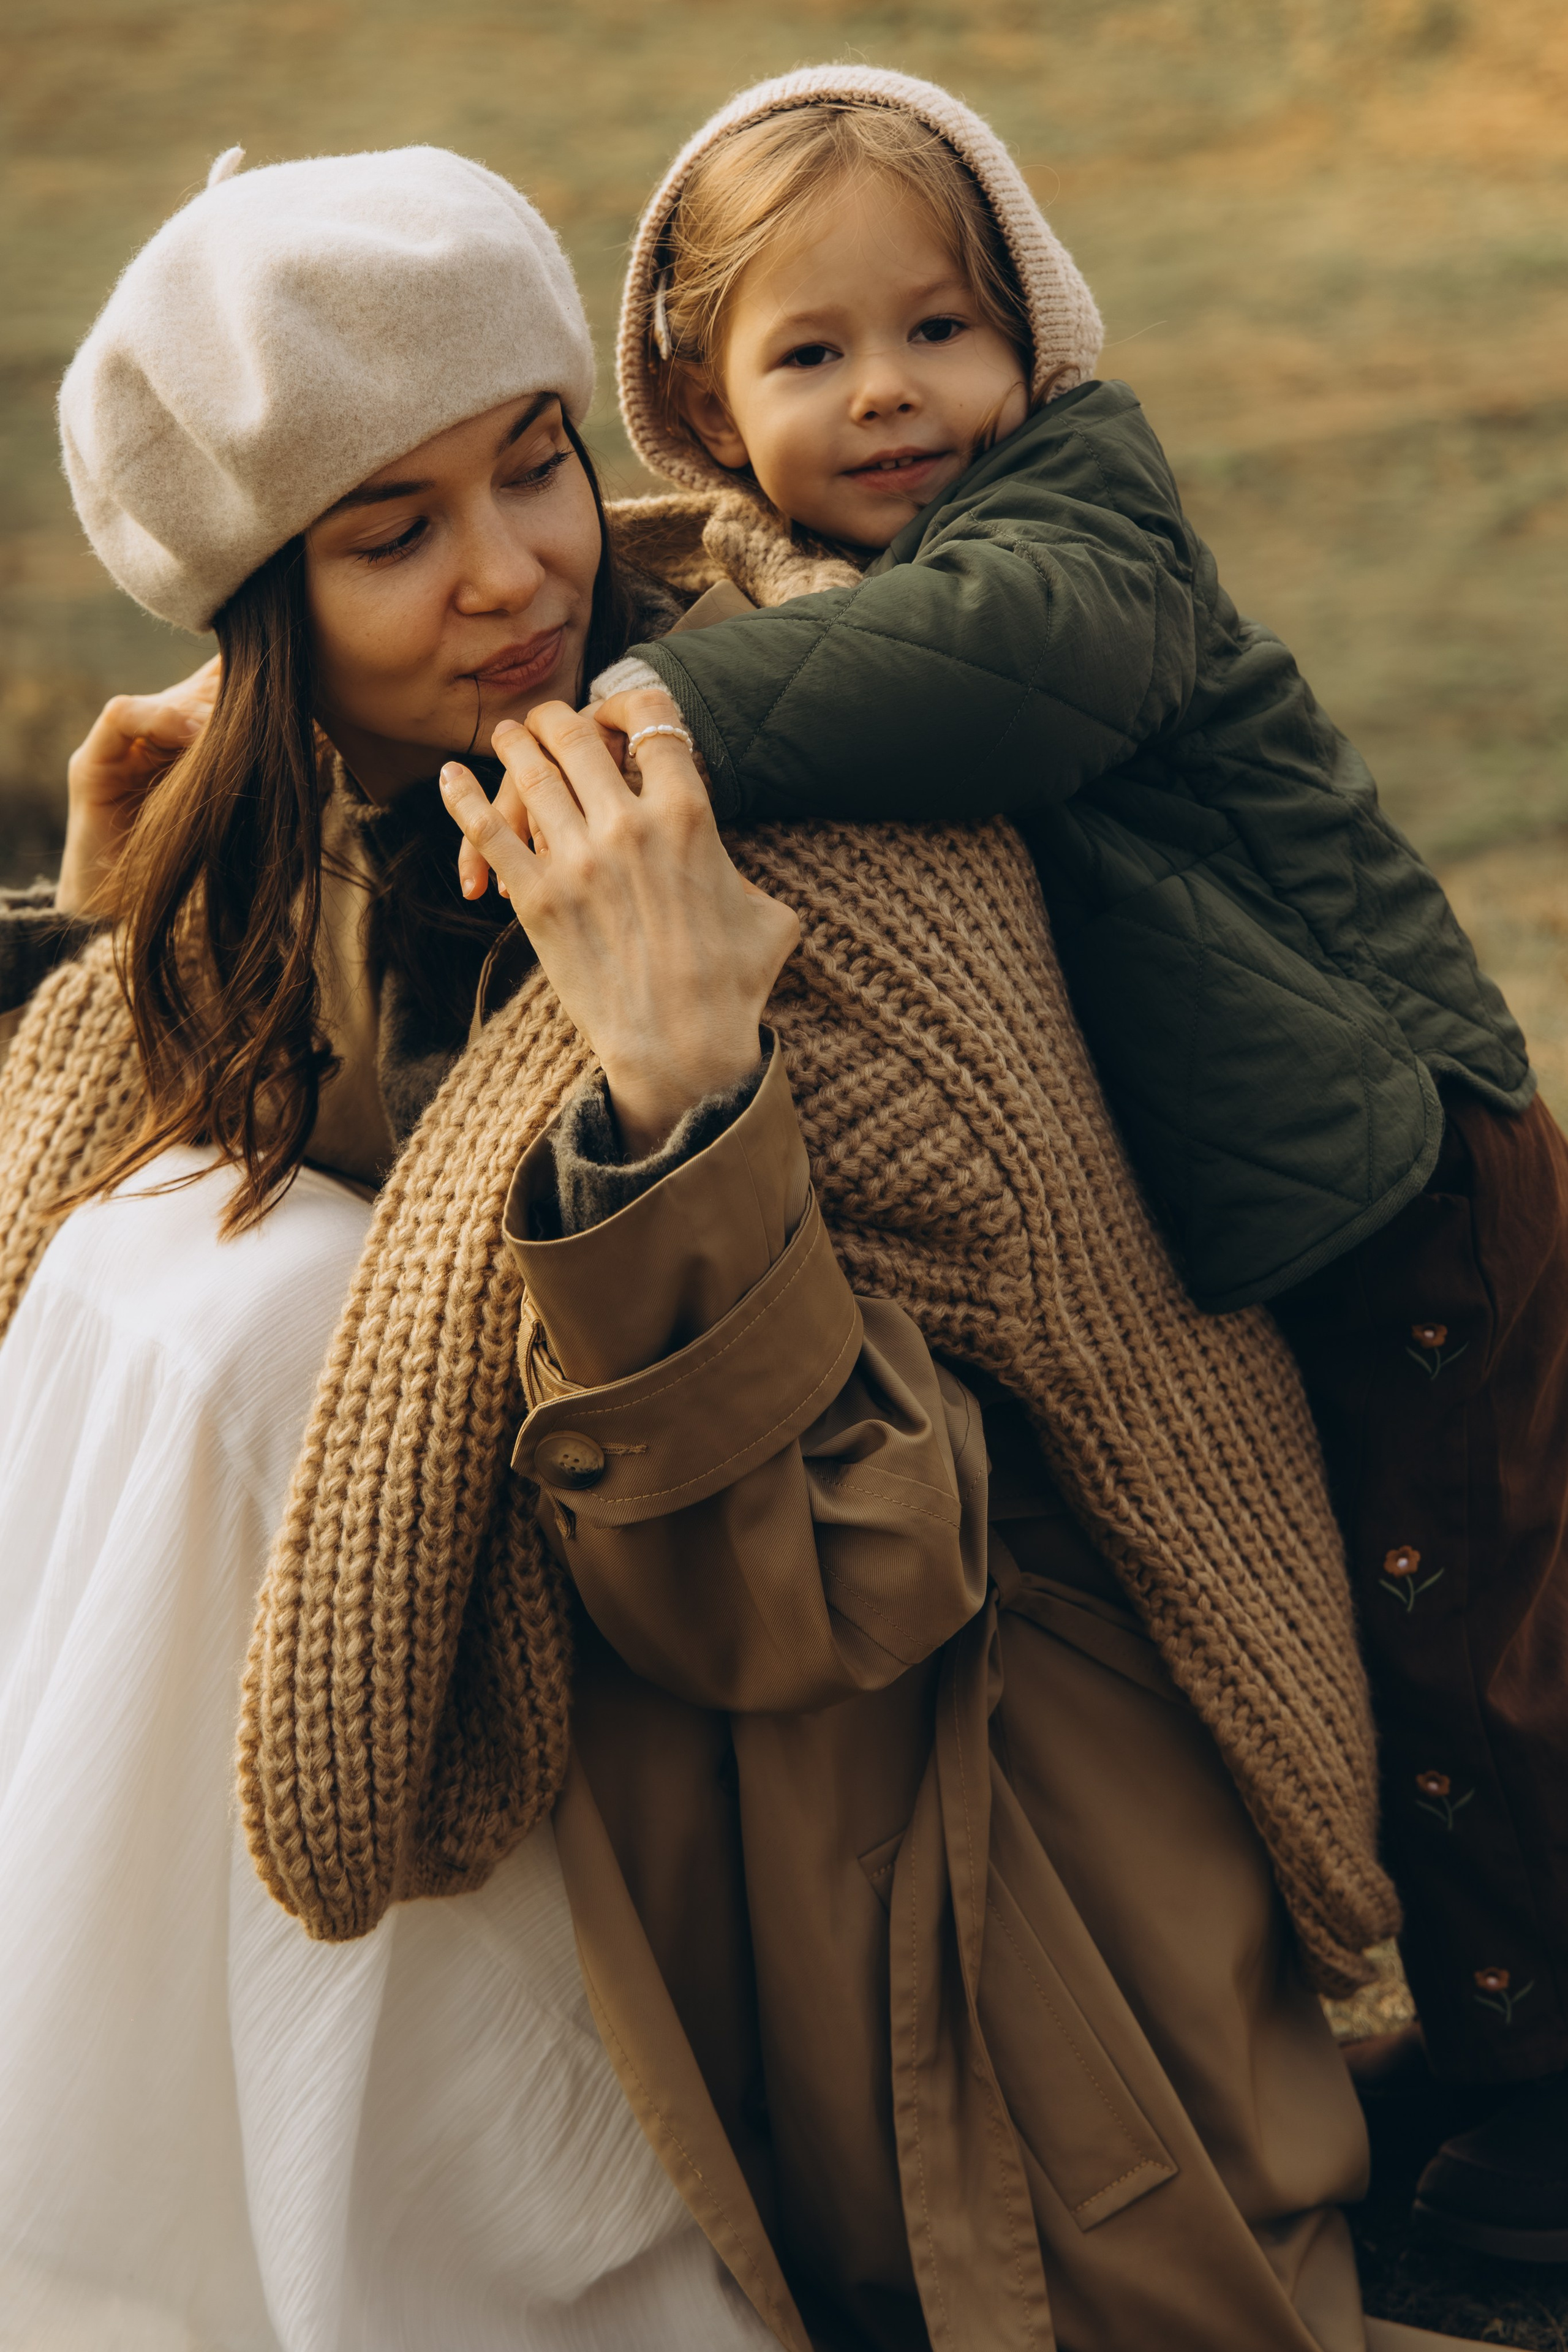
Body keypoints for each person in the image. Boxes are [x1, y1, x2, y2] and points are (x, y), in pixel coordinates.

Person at [2, 139, 1379, 2350]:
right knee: (178, 1266)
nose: (513, 574)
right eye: (392, 534)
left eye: (534, 466)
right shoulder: (338, 861)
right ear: (259, 613)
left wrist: (678, 1105)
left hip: (977, 1979)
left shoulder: (806, 821)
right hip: (664, 1910)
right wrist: (115, 950)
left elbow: (845, 1585)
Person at [592, 64, 1568, 2258]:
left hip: (1408, 1161)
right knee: (1369, 1623)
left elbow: (1007, 676)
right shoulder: (813, 584)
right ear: (703, 399)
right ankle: (1483, 2028)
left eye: (941, 327)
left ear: (1030, 329)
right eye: (813, 354)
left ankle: (1543, 2099)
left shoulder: (1077, 524)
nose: (895, 393)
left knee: (1468, 1642)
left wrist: (649, 721)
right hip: (1293, 1193)